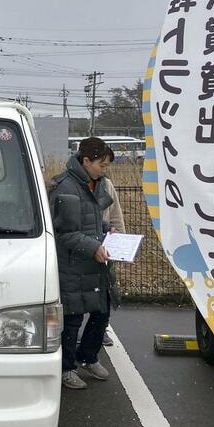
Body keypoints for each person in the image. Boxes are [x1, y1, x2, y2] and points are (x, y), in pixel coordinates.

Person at [49, 137, 118, 390]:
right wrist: (94, 246)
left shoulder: (94, 183)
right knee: (73, 318)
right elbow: (65, 233)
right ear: (86, 161)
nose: (105, 170)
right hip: (74, 265)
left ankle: (88, 357)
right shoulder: (66, 187)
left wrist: (106, 228)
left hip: (93, 263)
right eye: (102, 164)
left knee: (102, 313)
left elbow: (89, 220)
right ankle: (67, 368)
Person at [98, 147, 125, 347]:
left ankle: (102, 328)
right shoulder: (70, 184)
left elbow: (115, 214)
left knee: (105, 290)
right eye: (103, 164)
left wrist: (120, 242)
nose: (105, 169)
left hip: (105, 245)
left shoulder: (106, 184)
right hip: (84, 247)